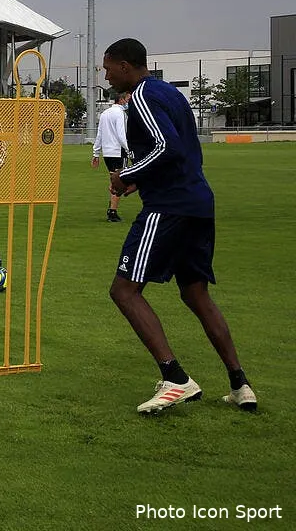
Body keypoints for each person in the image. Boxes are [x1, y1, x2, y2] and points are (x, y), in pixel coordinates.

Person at [102, 38, 256, 414]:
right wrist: (142, 179)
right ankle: (240, 384)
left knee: (124, 291)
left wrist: (127, 175)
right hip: (198, 203)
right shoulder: (169, 93)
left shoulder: (140, 97)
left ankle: (175, 378)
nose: (106, 76)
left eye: (108, 68)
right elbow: (180, 152)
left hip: (169, 208)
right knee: (195, 294)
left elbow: (165, 147)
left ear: (125, 66)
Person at [91, 91, 131, 222]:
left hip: (107, 153)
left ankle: (112, 208)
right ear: (122, 100)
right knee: (120, 181)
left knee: (114, 179)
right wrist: (128, 149)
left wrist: (96, 153)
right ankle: (112, 212)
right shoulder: (120, 114)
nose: (129, 102)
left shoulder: (105, 113)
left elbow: (100, 134)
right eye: (128, 99)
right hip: (118, 151)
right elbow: (121, 134)